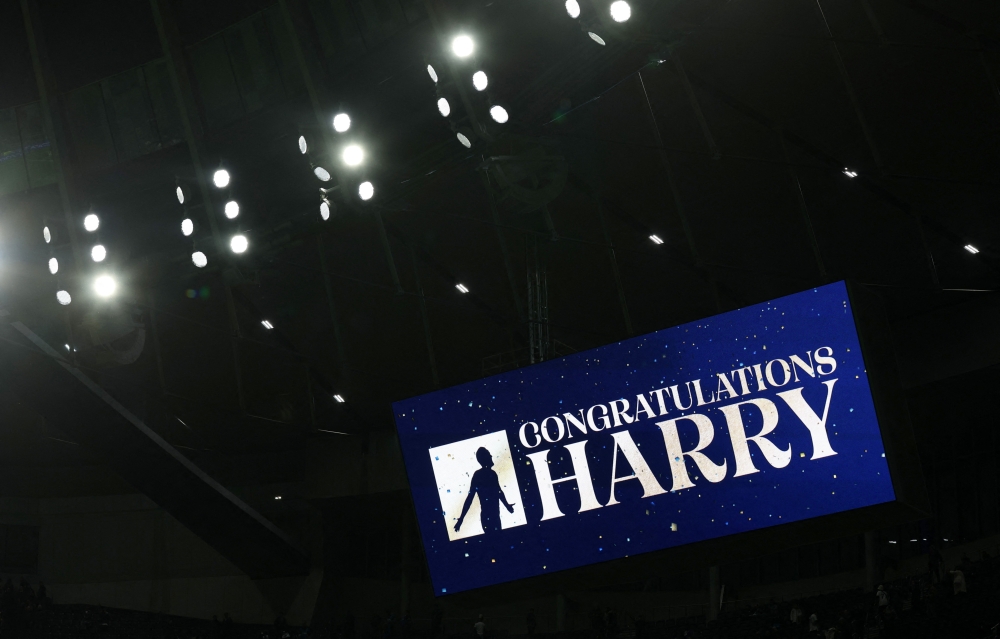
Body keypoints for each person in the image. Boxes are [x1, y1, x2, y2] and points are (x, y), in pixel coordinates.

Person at [455, 448, 517, 534]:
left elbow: (498, 492)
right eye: (489, 454)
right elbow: (498, 492)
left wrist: (461, 519)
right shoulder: (487, 474)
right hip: (491, 516)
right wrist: (507, 506)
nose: (491, 456)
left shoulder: (486, 474)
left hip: (491, 516)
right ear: (485, 458)